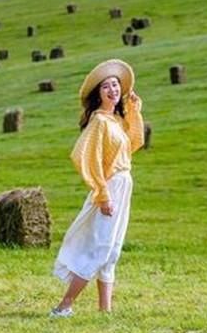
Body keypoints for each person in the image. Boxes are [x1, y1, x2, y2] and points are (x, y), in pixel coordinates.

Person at [50, 58, 144, 317]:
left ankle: (105, 311)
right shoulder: (99, 122)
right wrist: (102, 193)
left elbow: (134, 143)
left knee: (112, 250)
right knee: (100, 247)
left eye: (115, 85)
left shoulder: (115, 121)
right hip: (111, 186)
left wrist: (134, 111)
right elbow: (83, 156)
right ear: (98, 94)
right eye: (106, 87)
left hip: (124, 184)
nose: (112, 90)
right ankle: (64, 305)